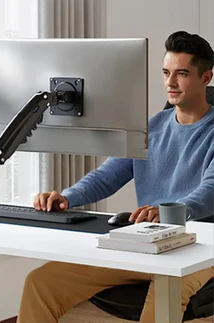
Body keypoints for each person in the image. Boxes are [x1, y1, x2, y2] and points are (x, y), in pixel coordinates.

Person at [16, 31, 214, 323]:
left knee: (164, 297)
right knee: (42, 281)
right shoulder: (151, 128)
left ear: (206, 78)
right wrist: (66, 197)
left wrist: (169, 211)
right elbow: (106, 176)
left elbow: (209, 191)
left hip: (198, 250)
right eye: (166, 73)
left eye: (182, 74)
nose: (170, 83)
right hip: (145, 244)